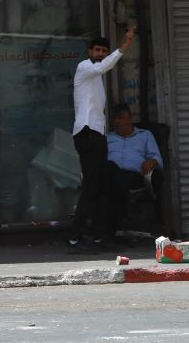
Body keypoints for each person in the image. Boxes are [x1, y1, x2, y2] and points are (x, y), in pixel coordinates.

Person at [69, 26, 135, 253]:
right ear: (90, 52)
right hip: (87, 133)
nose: (100, 54)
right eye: (97, 50)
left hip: (97, 134)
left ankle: (97, 236)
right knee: (91, 188)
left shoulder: (96, 77)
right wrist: (125, 45)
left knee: (101, 187)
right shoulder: (84, 68)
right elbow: (105, 66)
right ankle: (76, 238)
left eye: (103, 51)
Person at [106, 103, 164, 234]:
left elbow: (157, 157)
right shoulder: (108, 138)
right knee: (109, 168)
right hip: (110, 175)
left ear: (129, 119)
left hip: (134, 177)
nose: (116, 121)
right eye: (114, 118)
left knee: (115, 183)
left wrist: (151, 161)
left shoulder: (145, 135)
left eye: (120, 117)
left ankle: (117, 224)